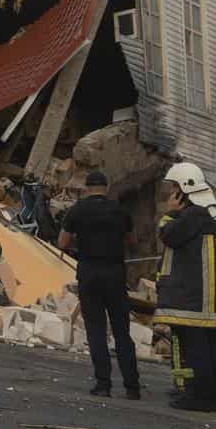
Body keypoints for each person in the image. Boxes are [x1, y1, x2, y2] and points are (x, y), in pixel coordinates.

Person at [155, 162, 216, 413]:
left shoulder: (190, 218)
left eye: (173, 188)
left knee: (196, 349)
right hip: (210, 300)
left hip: (192, 300)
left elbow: (168, 235)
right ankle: (210, 396)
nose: (169, 194)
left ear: (184, 191)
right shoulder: (215, 225)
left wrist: (170, 213)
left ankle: (200, 399)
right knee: (210, 350)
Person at [58, 170, 142, 400]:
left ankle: (103, 385)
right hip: (115, 274)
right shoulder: (121, 211)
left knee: (96, 330)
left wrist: (82, 239)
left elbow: (62, 242)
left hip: (89, 273)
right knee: (122, 332)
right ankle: (132, 387)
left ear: (87, 188)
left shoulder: (77, 210)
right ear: (106, 187)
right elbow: (132, 241)